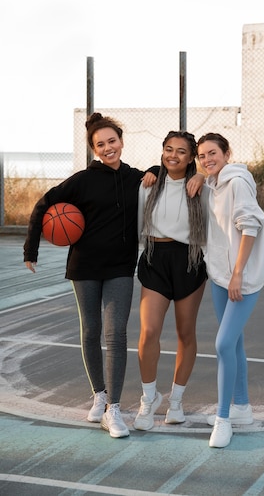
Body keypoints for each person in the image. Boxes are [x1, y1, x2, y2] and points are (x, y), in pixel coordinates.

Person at [23, 112, 159, 439]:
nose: (108, 147)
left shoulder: (133, 177)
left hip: (120, 267)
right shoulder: (82, 180)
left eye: (112, 141)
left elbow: (164, 171)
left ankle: (114, 409)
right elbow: (44, 204)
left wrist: (155, 170)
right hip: (84, 266)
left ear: (121, 142)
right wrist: (31, 248)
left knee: (116, 334)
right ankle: (99, 393)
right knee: (91, 330)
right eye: (101, 144)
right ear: (94, 149)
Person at [196, 132, 264, 448]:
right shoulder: (212, 185)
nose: (207, 159)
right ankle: (242, 408)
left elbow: (250, 227)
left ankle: (223, 420)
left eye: (213, 153)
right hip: (220, 278)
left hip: (243, 280)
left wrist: (238, 274)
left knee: (223, 344)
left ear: (226, 154)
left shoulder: (237, 183)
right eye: (202, 156)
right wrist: (200, 176)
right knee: (234, 344)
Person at [133, 130, 207, 431]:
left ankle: (176, 402)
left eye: (180, 151)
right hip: (155, 257)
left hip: (188, 260)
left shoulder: (202, 187)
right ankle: (148, 400)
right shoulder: (149, 185)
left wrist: (202, 176)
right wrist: (150, 172)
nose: (172, 155)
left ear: (191, 157)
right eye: (167, 149)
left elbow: (227, 176)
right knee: (149, 332)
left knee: (185, 333)